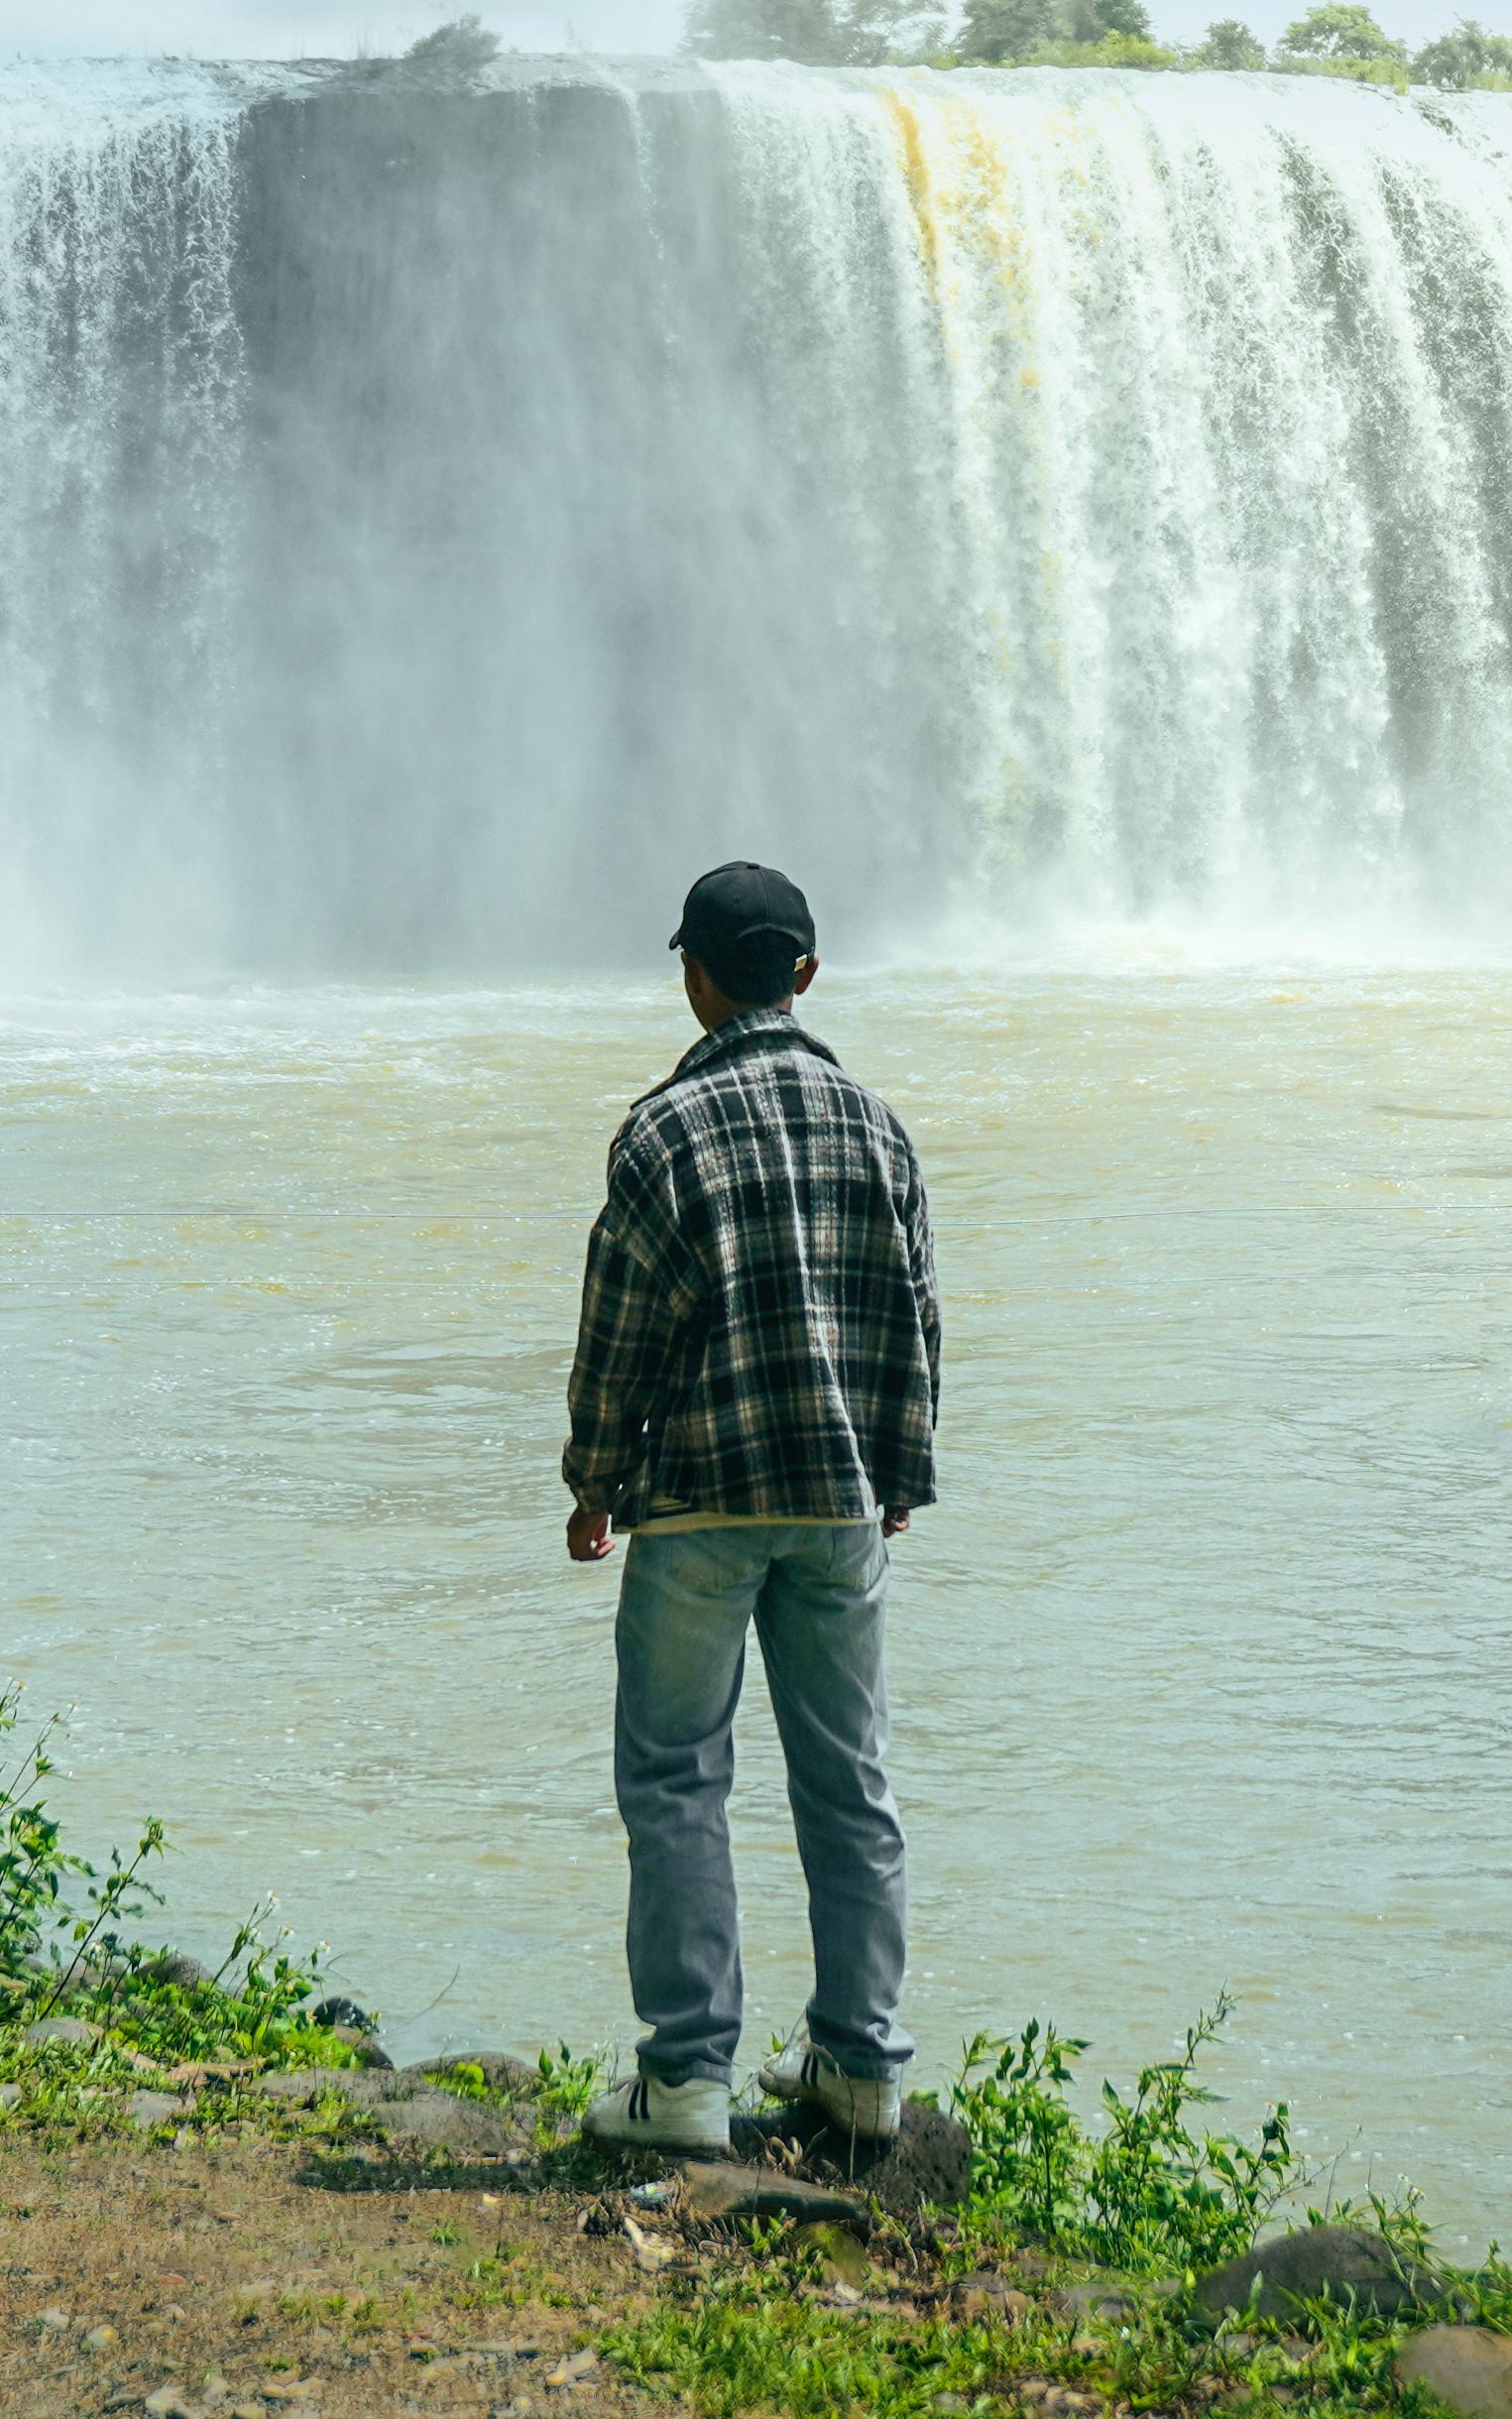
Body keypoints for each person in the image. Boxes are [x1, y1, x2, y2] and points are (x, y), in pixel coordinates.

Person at [563, 859, 941, 2155]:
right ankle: (861, 2068)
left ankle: (688, 2084)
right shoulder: (877, 1124)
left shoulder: (661, 1135)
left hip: (701, 1505)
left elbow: (617, 1332)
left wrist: (593, 1484)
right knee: (851, 1780)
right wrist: (901, 1472)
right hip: (840, 1493)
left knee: (676, 1780)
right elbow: (914, 1316)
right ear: (809, 978)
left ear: (696, 980)